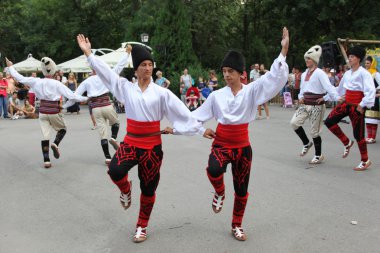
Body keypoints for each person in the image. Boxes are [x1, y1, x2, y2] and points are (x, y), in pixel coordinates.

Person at [77, 34, 203, 243]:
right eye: (143, 65)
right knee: (115, 170)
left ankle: (142, 225)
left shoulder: (161, 93)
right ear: (136, 69)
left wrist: (200, 130)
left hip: (152, 147)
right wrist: (89, 53)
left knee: (148, 188)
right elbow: (106, 73)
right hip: (132, 143)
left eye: (149, 64)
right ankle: (126, 189)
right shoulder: (126, 88)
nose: (147, 68)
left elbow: (182, 113)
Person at [188, 27, 289, 241]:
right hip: (221, 143)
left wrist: (283, 52)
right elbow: (197, 115)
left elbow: (273, 78)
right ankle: (220, 192)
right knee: (213, 170)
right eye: (224, 71)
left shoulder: (251, 91)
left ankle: (237, 225)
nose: (226, 75)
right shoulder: (216, 96)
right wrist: (192, 128)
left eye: (230, 71)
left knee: (242, 189)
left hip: (243, 147)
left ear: (241, 73)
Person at [6, 56, 87, 168]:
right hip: (54, 111)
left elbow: (19, 78)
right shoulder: (57, 83)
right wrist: (87, 98)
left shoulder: (36, 81)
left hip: (42, 112)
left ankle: (46, 160)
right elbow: (72, 96)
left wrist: (10, 66)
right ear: (54, 71)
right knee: (62, 129)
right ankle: (55, 143)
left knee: (45, 135)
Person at [67, 50, 129, 165]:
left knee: (102, 132)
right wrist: (127, 54)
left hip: (95, 107)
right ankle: (114, 138)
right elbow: (119, 66)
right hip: (106, 104)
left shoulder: (87, 81)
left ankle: (107, 157)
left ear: (92, 69)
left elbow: (75, 95)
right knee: (115, 122)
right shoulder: (106, 75)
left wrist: (68, 104)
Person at [324, 46, 376, 171]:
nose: (350, 59)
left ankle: (365, 160)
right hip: (346, 103)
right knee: (329, 121)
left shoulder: (364, 74)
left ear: (358, 59)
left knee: (358, 135)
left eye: (352, 57)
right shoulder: (347, 73)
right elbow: (340, 89)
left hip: (356, 107)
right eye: (349, 57)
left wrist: (362, 105)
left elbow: (370, 91)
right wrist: (329, 96)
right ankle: (346, 142)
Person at [290, 45, 341, 164]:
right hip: (305, 104)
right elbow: (302, 90)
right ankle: (307, 143)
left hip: (317, 106)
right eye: (306, 58)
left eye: (308, 58)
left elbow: (329, 87)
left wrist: (334, 97)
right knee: (294, 123)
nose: (306, 60)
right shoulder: (303, 74)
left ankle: (318, 155)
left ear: (314, 60)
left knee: (314, 131)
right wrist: (300, 97)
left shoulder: (320, 73)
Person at [364, 56, 380, 144]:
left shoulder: (376, 74)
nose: (366, 65)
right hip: (366, 98)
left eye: (368, 63)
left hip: (374, 98)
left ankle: (373, 137)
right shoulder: (365, 73)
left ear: (372, 63)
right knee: (368, 118)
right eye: (366, 63)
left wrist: (377, 93)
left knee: (373, 118)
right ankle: (369, 136)